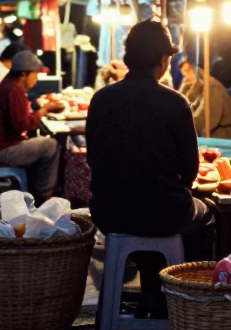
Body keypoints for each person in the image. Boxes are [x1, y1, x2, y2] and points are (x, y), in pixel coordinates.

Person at [87, 21, 214, 298]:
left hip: (108, 213)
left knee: (149, 205)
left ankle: (152, 296)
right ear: (163, 59)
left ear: (129, 57)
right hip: (162, 214)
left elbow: (93, 157)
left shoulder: (101, 98)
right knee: (205, 212)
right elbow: (190, 172)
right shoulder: (175, 102)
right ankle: (185, 301)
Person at [0, 50, 64, 203]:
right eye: (35, 74)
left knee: (38, 142)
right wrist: (44, 110)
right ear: (24, 74)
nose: (36, 79)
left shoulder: (8, 85)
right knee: (51, 145)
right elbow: (23, 125)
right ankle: (44, 196)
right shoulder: (13, 90)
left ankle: (32, 190)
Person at [177, 59, 231, 139]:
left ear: (198, 70)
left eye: (188, 70)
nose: (186, 75)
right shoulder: (202, 87)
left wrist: (179, 122)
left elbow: (202, 122)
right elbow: (185, 104)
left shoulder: (214, 89)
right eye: (184, 73)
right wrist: (185, 85)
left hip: (221, 139)